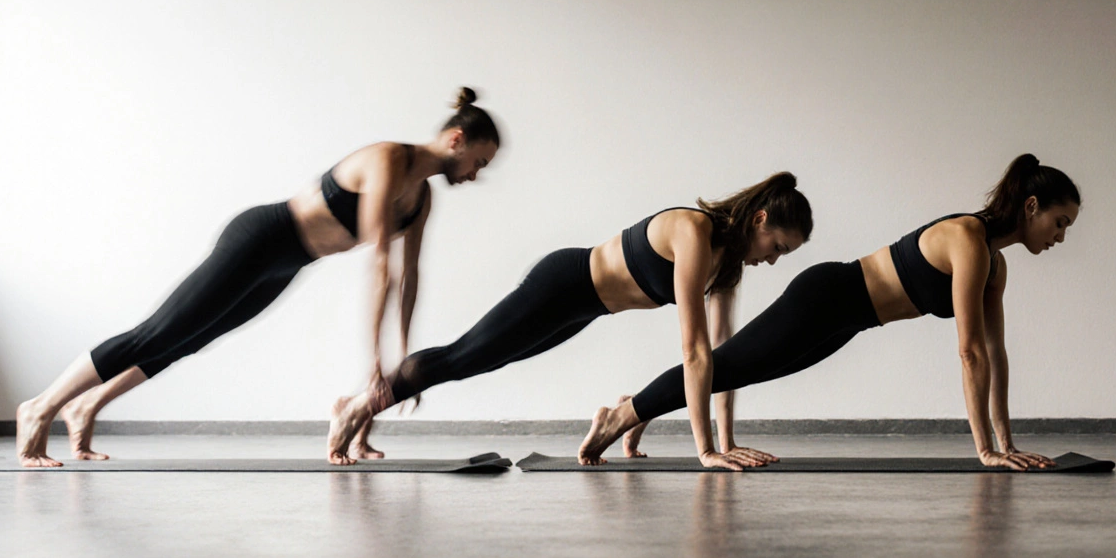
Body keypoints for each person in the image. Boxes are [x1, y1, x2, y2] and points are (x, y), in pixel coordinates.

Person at [15, 88, 501, 467]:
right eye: (478, 161)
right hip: (261, 239)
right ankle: (41, 406)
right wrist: (373, 358)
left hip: (289, 263)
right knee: (160, 331)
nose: (476, 174)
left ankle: (87, 407)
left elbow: (409, 278)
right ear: (456, 140)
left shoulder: (421, 200)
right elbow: (380, 268)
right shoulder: (388, 160)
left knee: (188, 339)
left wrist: (396, 361)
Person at [578, 154, 1079, 472]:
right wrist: (986, 450)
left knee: (737, 369)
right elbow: (969, 353)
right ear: (1031, 207)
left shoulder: (996, 266)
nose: (1060, 237)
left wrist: (1007, 442)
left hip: (846, 321)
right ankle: (621, 414)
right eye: (1059, 222)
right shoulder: (968, 240)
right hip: (826, 298)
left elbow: (995, 354)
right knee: (729, 366)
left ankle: (635, 406)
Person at [327, 173, 814, 468]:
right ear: (760, 219)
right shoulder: (693, 231)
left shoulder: (726, 266)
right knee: (467, 357)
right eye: (777, 247)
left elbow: (721, 360)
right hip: (562, 284)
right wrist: (705, 451)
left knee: (479, 360)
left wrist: (727, 443)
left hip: (586, 308)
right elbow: (694, 351)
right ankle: (357, 406)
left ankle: (366, 405)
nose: (772, 260)